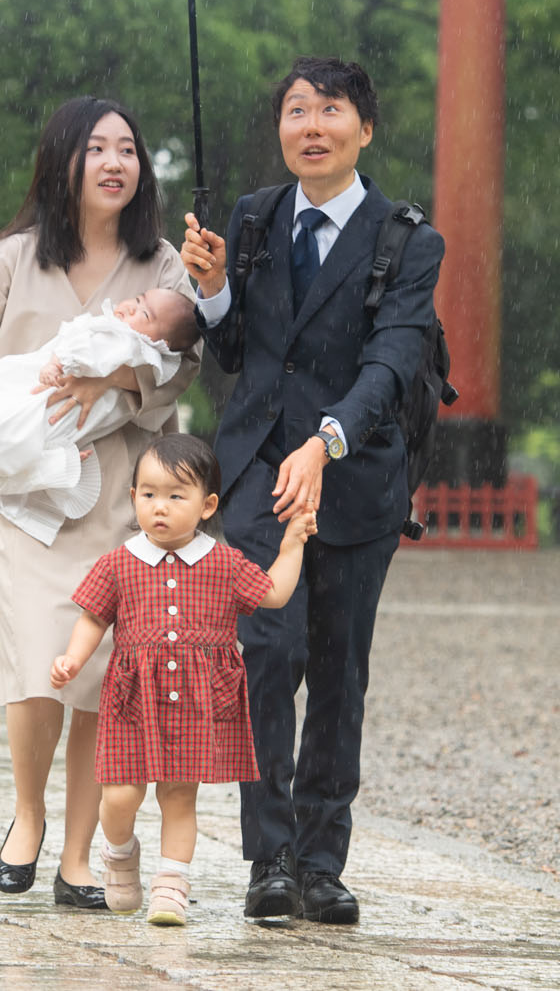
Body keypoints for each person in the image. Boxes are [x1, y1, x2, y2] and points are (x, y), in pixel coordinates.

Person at [180, 55, 443, 925]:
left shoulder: (408, 239)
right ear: (281, 127)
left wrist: (327, 441)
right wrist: (214, 292)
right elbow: (236, 352)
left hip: (357, 479)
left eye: (332, 110)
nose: (313, 126)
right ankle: (270, 856)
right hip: (258, 473)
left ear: (365, 129)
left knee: (337, 668)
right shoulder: (252, 219)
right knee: (269, 648)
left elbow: (394, 357)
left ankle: (323, 860)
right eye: (297, 110)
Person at [0, 96, 200, 909]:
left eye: (128, 148)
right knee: (39, 663)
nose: (116, 162)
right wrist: (2, 444)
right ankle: (26, 811)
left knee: (100, 672)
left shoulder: (163, 266)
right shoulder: (10, 259)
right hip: (22, 498)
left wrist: (112, 378)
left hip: (117, 487)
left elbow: (181, 364)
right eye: (97, 149)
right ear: (64, 162)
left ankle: (79, 854)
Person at [49, 434, 314, 926]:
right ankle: (121, 851)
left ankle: (172, 885)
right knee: (120, 795)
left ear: (207, 504)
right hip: (132, 700)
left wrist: (292, 543)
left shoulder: (224, 563)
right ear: (133, 499)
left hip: (194, 703)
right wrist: (72, 658)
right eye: (148, 495)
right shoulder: (119, 562)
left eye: (176, 495)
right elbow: (92, 618)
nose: (160, 508)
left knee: (178, 794)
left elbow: (275, 593)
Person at [0, 289, 200, 545]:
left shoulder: (141, 350)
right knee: (26, 429)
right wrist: (59, 363)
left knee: (33, 436)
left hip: (87, 428)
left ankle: (46, 462)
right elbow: (78, 339)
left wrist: (109, 376)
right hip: (54, 394)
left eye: (144, 314)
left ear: (161, 342)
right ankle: (40, 462)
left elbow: (171, 380)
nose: (132, 308)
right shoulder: (113, 331)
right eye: (138, 299)